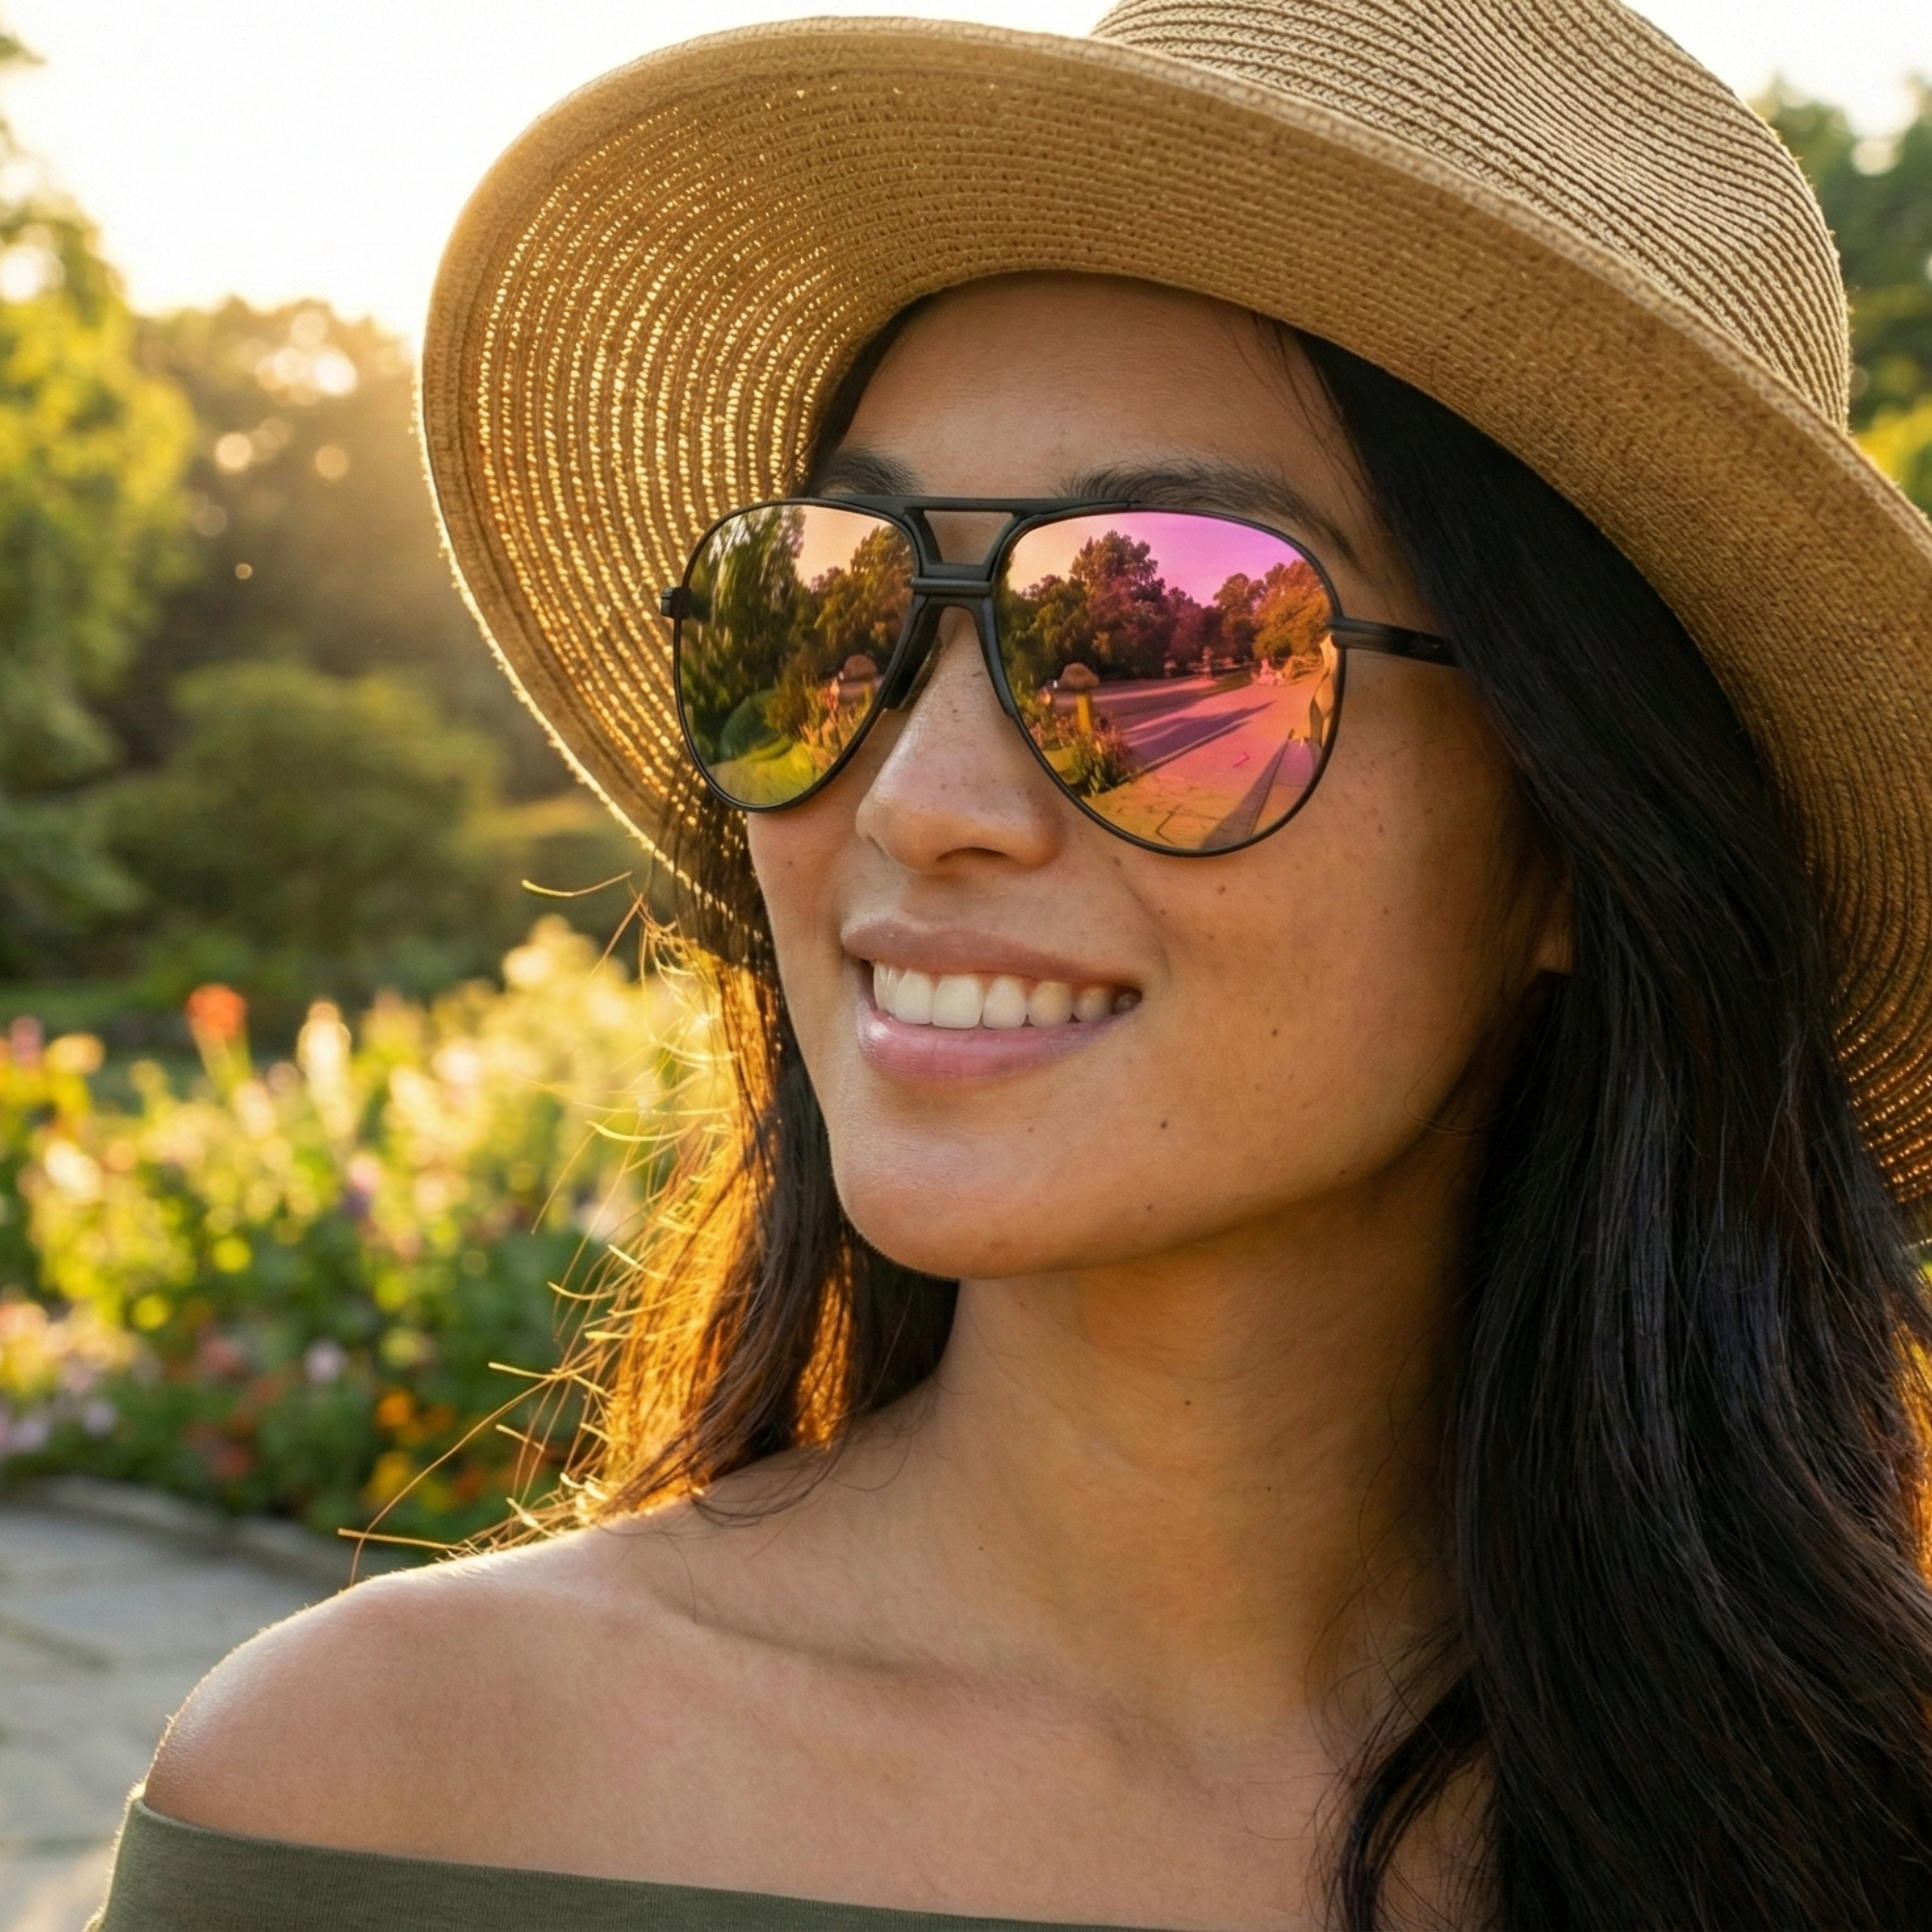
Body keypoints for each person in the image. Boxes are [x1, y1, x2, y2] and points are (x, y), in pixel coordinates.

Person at [93, 0, 1932, 1926]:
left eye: (1165, 643)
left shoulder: (1842, 1829)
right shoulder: (396, 1797)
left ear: (1573, 833)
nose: (918, 795)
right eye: (826, 606)